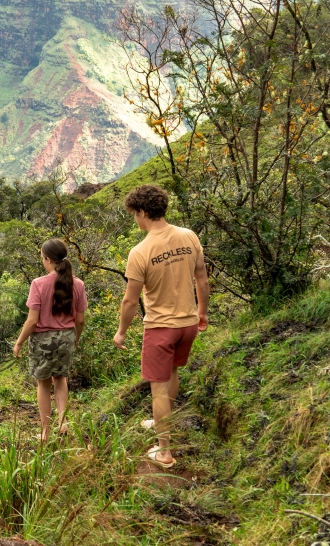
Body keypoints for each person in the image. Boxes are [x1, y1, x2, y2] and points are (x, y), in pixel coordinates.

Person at [113, 185, 210, 468]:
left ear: (143, 212)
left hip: (160, 328)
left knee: (158, 387)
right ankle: (160, 420)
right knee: (173, 372)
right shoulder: (188, 236)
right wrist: (202, 312)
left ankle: (165, 451)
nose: (135, 220)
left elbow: (130, 301)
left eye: (135, 215)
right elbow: (201, 279)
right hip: (188, 323)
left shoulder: (140, 252)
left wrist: (121, 332)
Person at [13, 238, 87, 442]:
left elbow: (32, 321)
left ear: (47, 260)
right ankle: (63, 423)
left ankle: (45, 432)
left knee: (43, 384)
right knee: (61, 379)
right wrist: (74, 339)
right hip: (67, 338)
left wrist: (19, 342)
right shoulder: (78, 284)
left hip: (43, 341)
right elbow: (80, 320)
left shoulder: (38, 284)